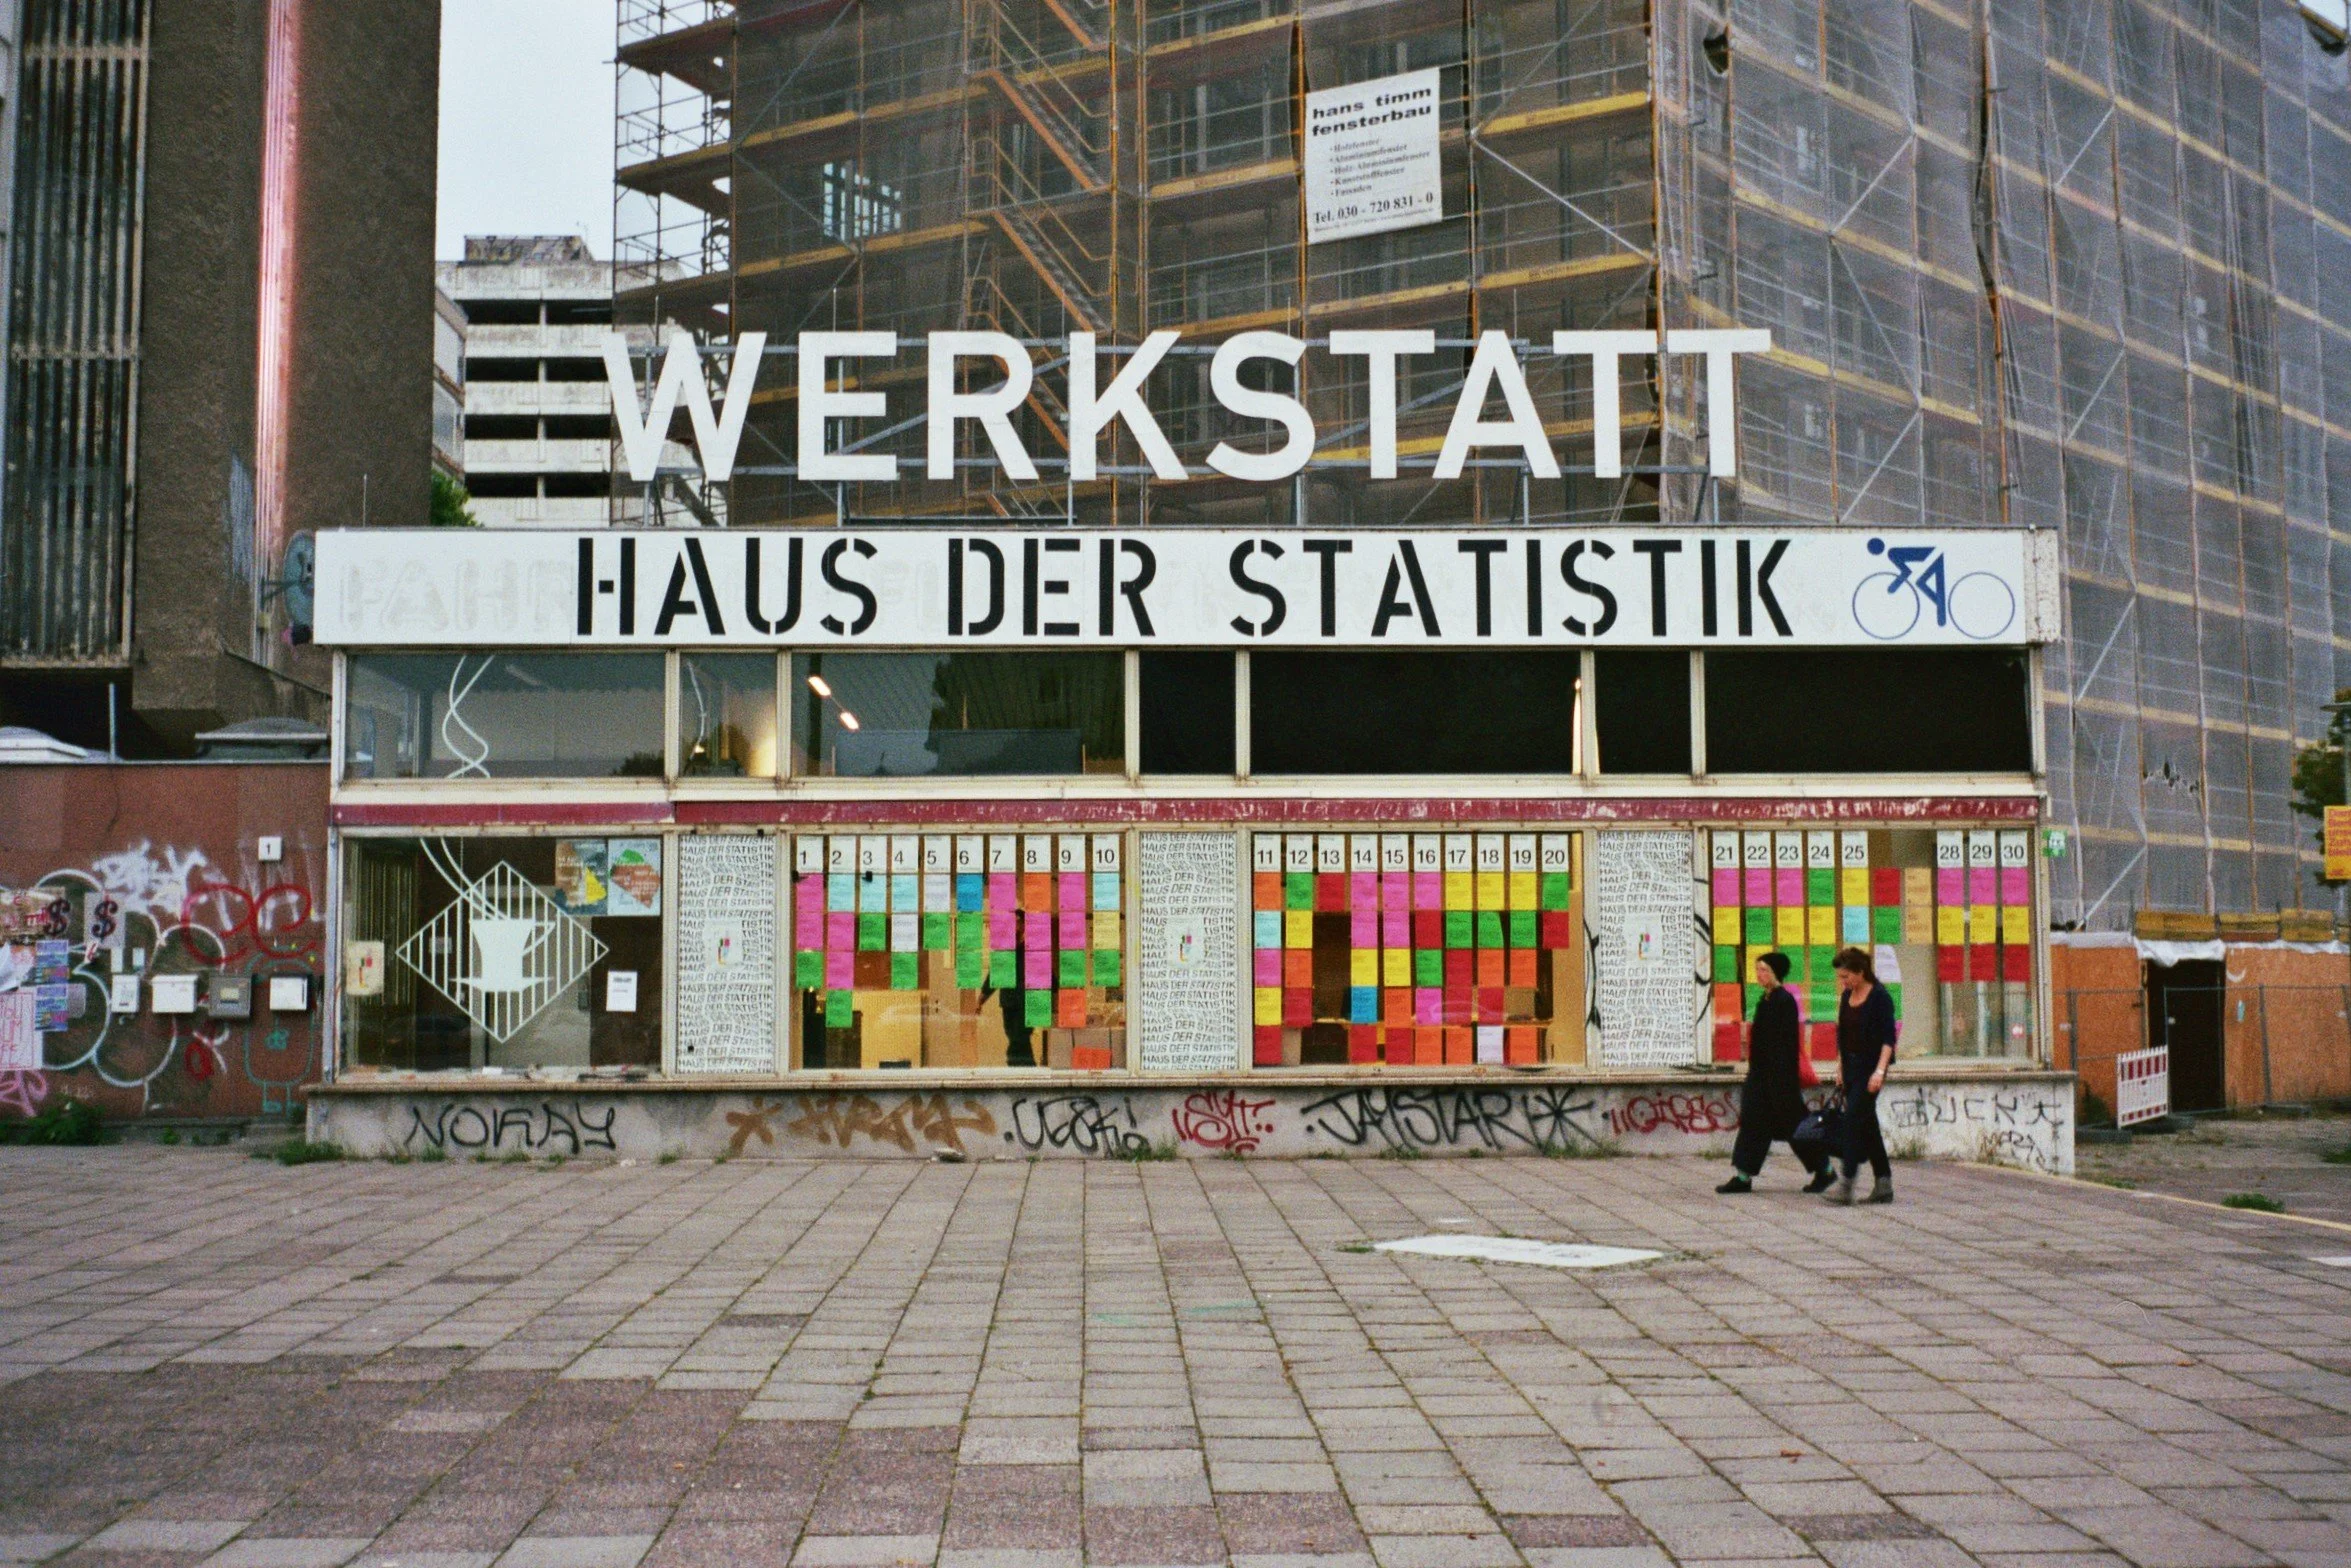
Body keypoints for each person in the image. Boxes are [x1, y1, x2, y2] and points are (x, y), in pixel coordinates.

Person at [1717, 952, 1833, 1194]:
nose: (1759, 975)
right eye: (1757, 969)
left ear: (1776, 973)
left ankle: (1825, 1170)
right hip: (1761, 1077)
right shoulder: (1766, 1000)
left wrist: (1780, 1081)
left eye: (1764, 970)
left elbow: (1786, 1046)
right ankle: (1743, 1176)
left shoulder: (1784, 1002)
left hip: (1780, 1081)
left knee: (1796, 1127)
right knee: (1753, 1124)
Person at [1825, 945, 1896, 1204]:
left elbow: (1889, 1039)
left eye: (1846, 976)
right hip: (1852, 1067)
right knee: (1867, 1124)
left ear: (1860, 971)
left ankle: (1846, 1184)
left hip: (1871, 1068)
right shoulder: (1847, 997)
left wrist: (1880, 1071)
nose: (1843, 982)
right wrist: (1840, 1065)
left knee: (1853, 1119)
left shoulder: (1879, 997)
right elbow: (1842, 1034)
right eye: (1840, 977)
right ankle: (1884, 1183)